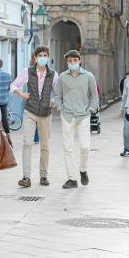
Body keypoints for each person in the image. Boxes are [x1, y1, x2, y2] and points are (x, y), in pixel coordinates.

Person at [11, 45, 59, 188]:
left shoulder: (53, 75)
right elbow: (13, 85)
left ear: (48, 57)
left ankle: (43, 176)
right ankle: (26, 177)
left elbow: (57, 93)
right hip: (30, 111)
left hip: (45, 113)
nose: (42, 58)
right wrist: (21, 94)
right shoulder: (27, 71)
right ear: (35, 58)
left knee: (45, 145)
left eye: (45, 55)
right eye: (40, 55)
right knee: (27, 143)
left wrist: (53, 102)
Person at [54, 50, 99, 188]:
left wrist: (90, 110)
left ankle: (83, 170)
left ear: (79, 61)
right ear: (67, 62)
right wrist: (60, 108)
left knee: (85, 147)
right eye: (70, 61)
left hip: (83, 116)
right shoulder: (62, 77)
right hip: (67, 115)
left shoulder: (88, 76)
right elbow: (58, 95)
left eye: (75, 60)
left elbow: (94, 96)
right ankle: (71, 179)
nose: (72, 63)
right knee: (68, 148)